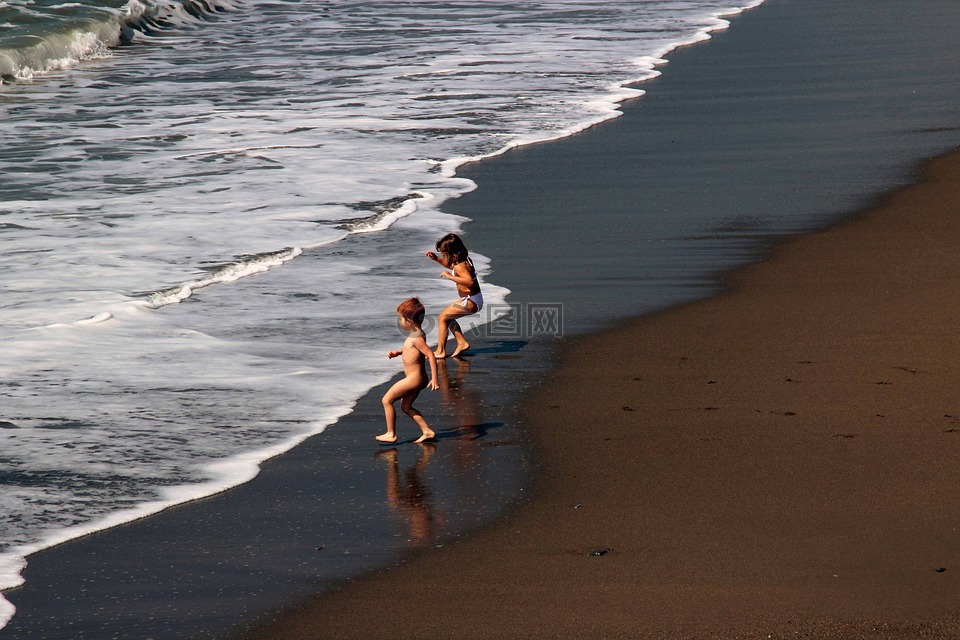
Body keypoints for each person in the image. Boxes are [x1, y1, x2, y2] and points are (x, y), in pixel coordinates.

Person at [377, 297, 439, 444]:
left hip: (413, 379)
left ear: (409, 321)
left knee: (386, 400)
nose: (399, 322)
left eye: (400, 319)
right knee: (406, 406)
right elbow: (411, 350)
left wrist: (435, 378)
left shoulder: (417, 338)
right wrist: (398, 352)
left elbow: (430, 355)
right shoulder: (416, 335)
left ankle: (391, 433)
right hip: (417, 378)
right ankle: (427, 431)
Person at [425, 233, 483, 358]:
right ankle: (461, 342)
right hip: (473, 299)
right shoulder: (463, 261)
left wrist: (450, 277)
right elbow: (450, 265)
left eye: (444, 254)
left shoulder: (460, 266)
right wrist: (436, 259)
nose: (443, 257)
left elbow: (469, 281)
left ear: (451, 252)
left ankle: (440, 351)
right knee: (448, 318)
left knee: (442, 318)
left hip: (470, 301)